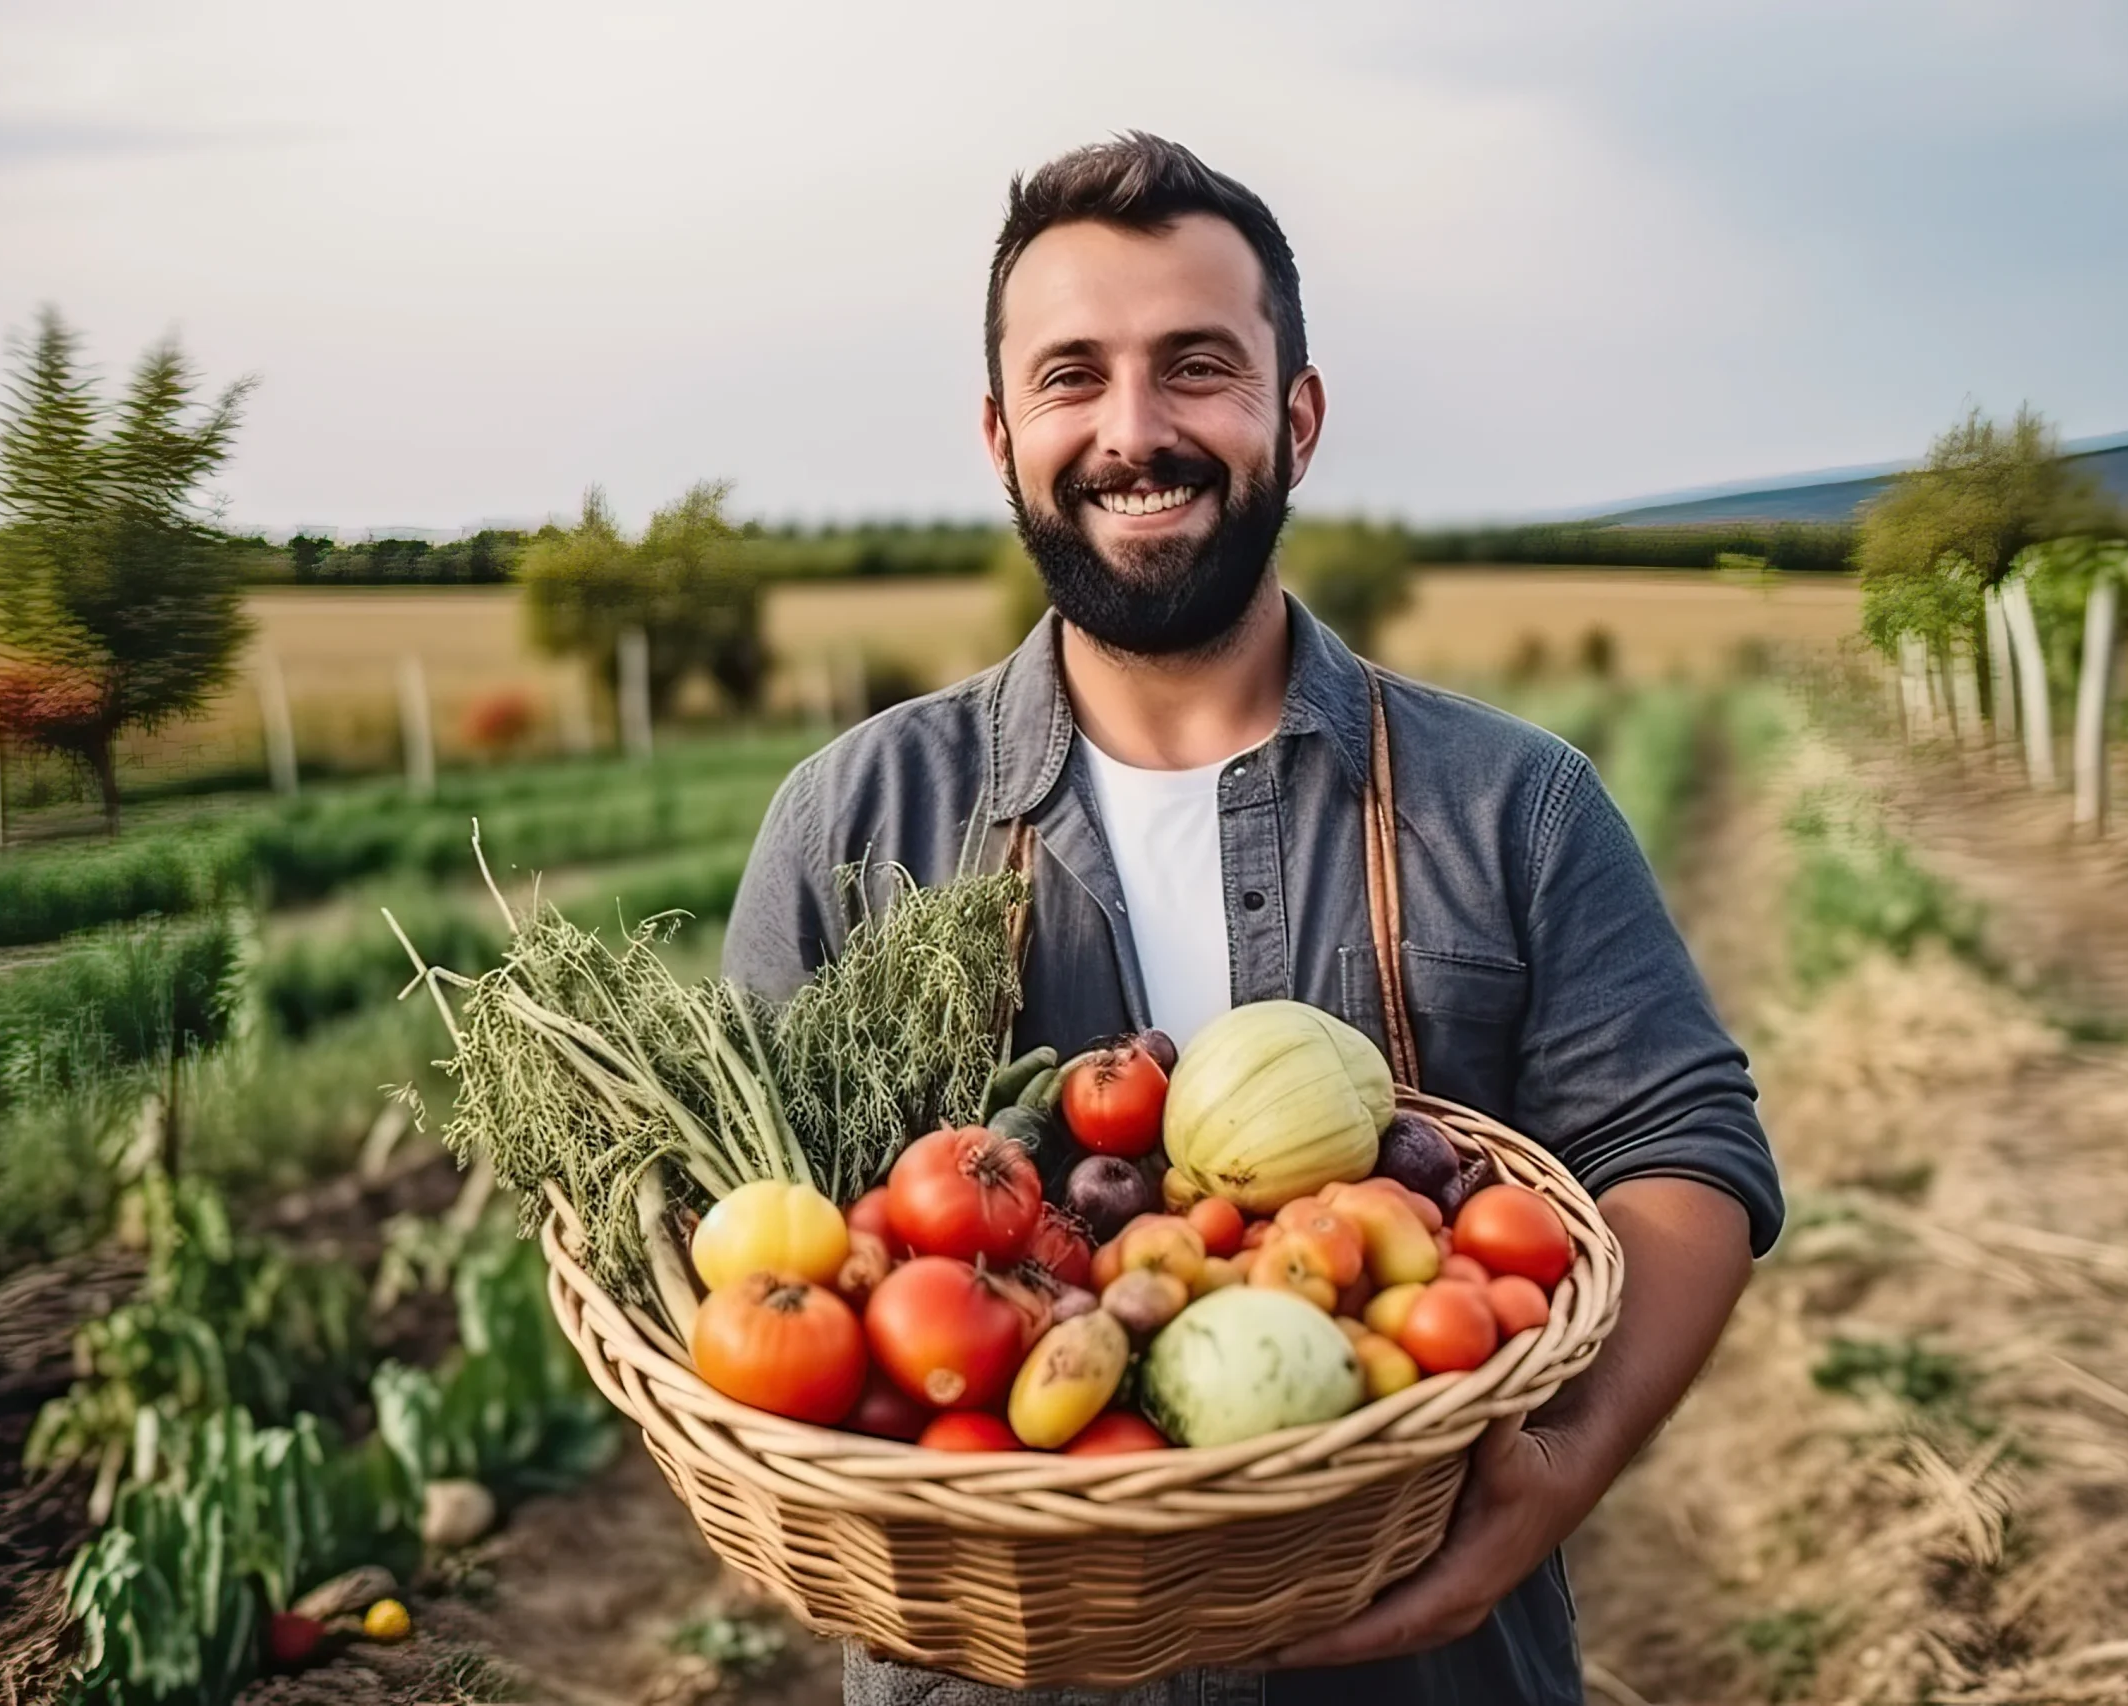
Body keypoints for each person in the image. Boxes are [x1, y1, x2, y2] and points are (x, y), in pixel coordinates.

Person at [724, 132, 1784, 1706]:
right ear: (1002, 431)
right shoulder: (854, 821)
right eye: (1073, 376)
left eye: (1196, 366)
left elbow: (1686, 1147)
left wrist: (1554, 1470)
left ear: (1295, 415)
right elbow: (729, 1237)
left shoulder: (1514, 802)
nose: (1134, 432)